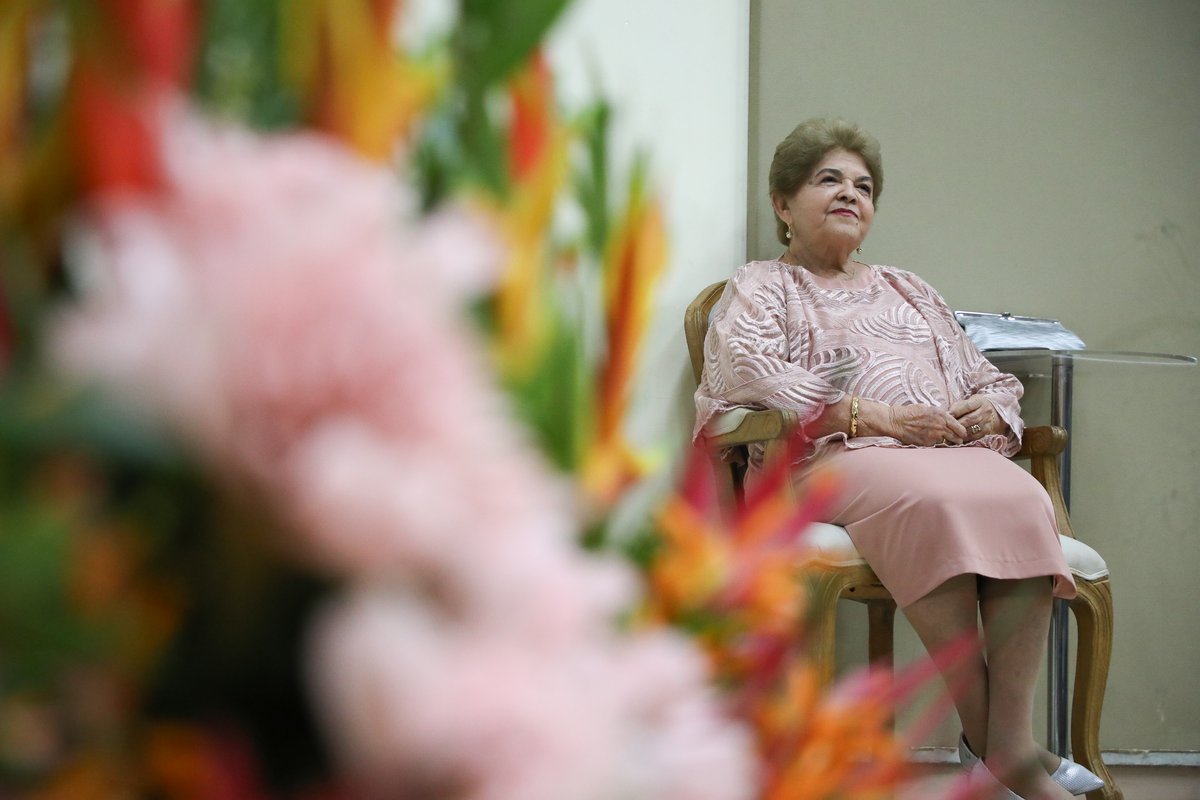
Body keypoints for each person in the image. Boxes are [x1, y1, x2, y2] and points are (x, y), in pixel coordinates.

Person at [693, 118, 1105, 800]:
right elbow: (749, 374)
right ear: (782, 202)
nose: (849, 194)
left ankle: (1003, 747)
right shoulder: (763, 285)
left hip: (940, 452)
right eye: (828, 180)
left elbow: (988, 378)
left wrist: (988, 409)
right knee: (931, 499)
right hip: (827, 457)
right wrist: (872, 416)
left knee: (1020, 495)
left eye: (863, 186)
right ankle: (1012, 757)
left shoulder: (907, 287)